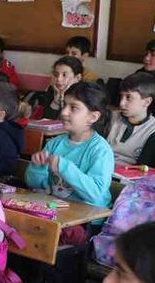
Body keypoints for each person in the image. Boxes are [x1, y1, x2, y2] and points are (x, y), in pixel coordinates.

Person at [25, 81, 114, 210]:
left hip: (88, 215)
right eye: (65, 105)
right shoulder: (54, 143)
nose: (64, 112)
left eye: (73, 108)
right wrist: (37, 167)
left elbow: (95, 193)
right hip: (58, 209)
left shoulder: (100, 150)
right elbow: (34, 184)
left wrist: (64, 167)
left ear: (93, 117)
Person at [106, 71, 155, 168]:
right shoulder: (111, 117)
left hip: (128, 174)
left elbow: (145, 168)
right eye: (121, 96)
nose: (121, 103)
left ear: (146, 102)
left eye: (128, 97)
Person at [25, 56, 83, 121]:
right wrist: (56, 102)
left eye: (64, 75)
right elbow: (47, 121)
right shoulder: (52, 91)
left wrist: (63, 101)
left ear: (78, 78)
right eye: (56, 74)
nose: (58, 79)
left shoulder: (84, 97)